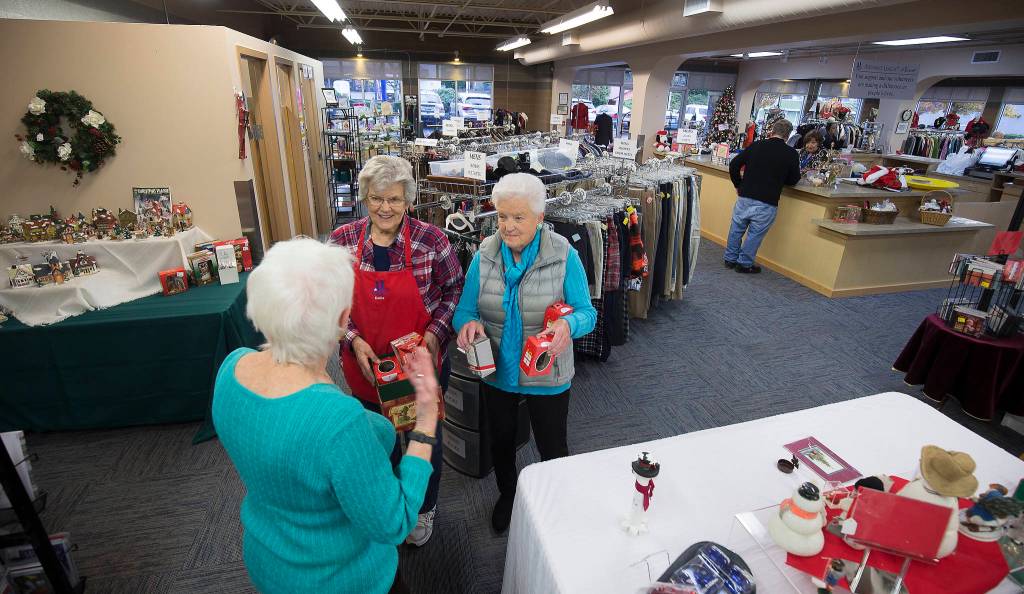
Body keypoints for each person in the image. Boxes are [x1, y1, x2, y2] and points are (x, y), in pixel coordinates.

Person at [212, 237, 441, 593]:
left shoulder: (231, 368)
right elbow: (394, 523)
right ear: (342, 319)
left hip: (268, 564)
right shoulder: (341, 421)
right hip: (344, 580)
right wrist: (425, 419)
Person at [330, 155, 463, 546]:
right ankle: (386, 506)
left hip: (421, 365)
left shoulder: (431, 240)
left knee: (424, 441)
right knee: (378, 442)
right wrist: (352, 339)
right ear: (364, 198)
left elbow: (454, 290)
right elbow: (331, 301)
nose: (385, 208)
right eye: (376, 199)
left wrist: (436, 334)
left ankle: (423, 509)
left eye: (394, 199)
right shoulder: (341, 242)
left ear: (408, 199)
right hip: (366, 369)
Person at [453, 173, 597, 533]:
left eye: (518, 218)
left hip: (547, 372)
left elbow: (587, 312)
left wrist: (569, 326)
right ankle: (508, 494)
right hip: (497, 369)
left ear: (539, 218)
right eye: (502, 216)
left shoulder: (564, 254)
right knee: (501, 440)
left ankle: (557, 502)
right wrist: (467, 326)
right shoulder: (484, 254)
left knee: (552, 445)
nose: (508, 226)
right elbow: (465, 310)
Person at [725, 118, 800, 274]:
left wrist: (738, 184)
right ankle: (744, 263)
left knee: (736, 229)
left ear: (772, 130)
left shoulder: (756, 145)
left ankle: (730, 259)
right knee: (755, 234)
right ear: (788, 135)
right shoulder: (791, 153)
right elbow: (793, 180)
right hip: (767, 200)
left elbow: (734, 165)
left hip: (745, 195)